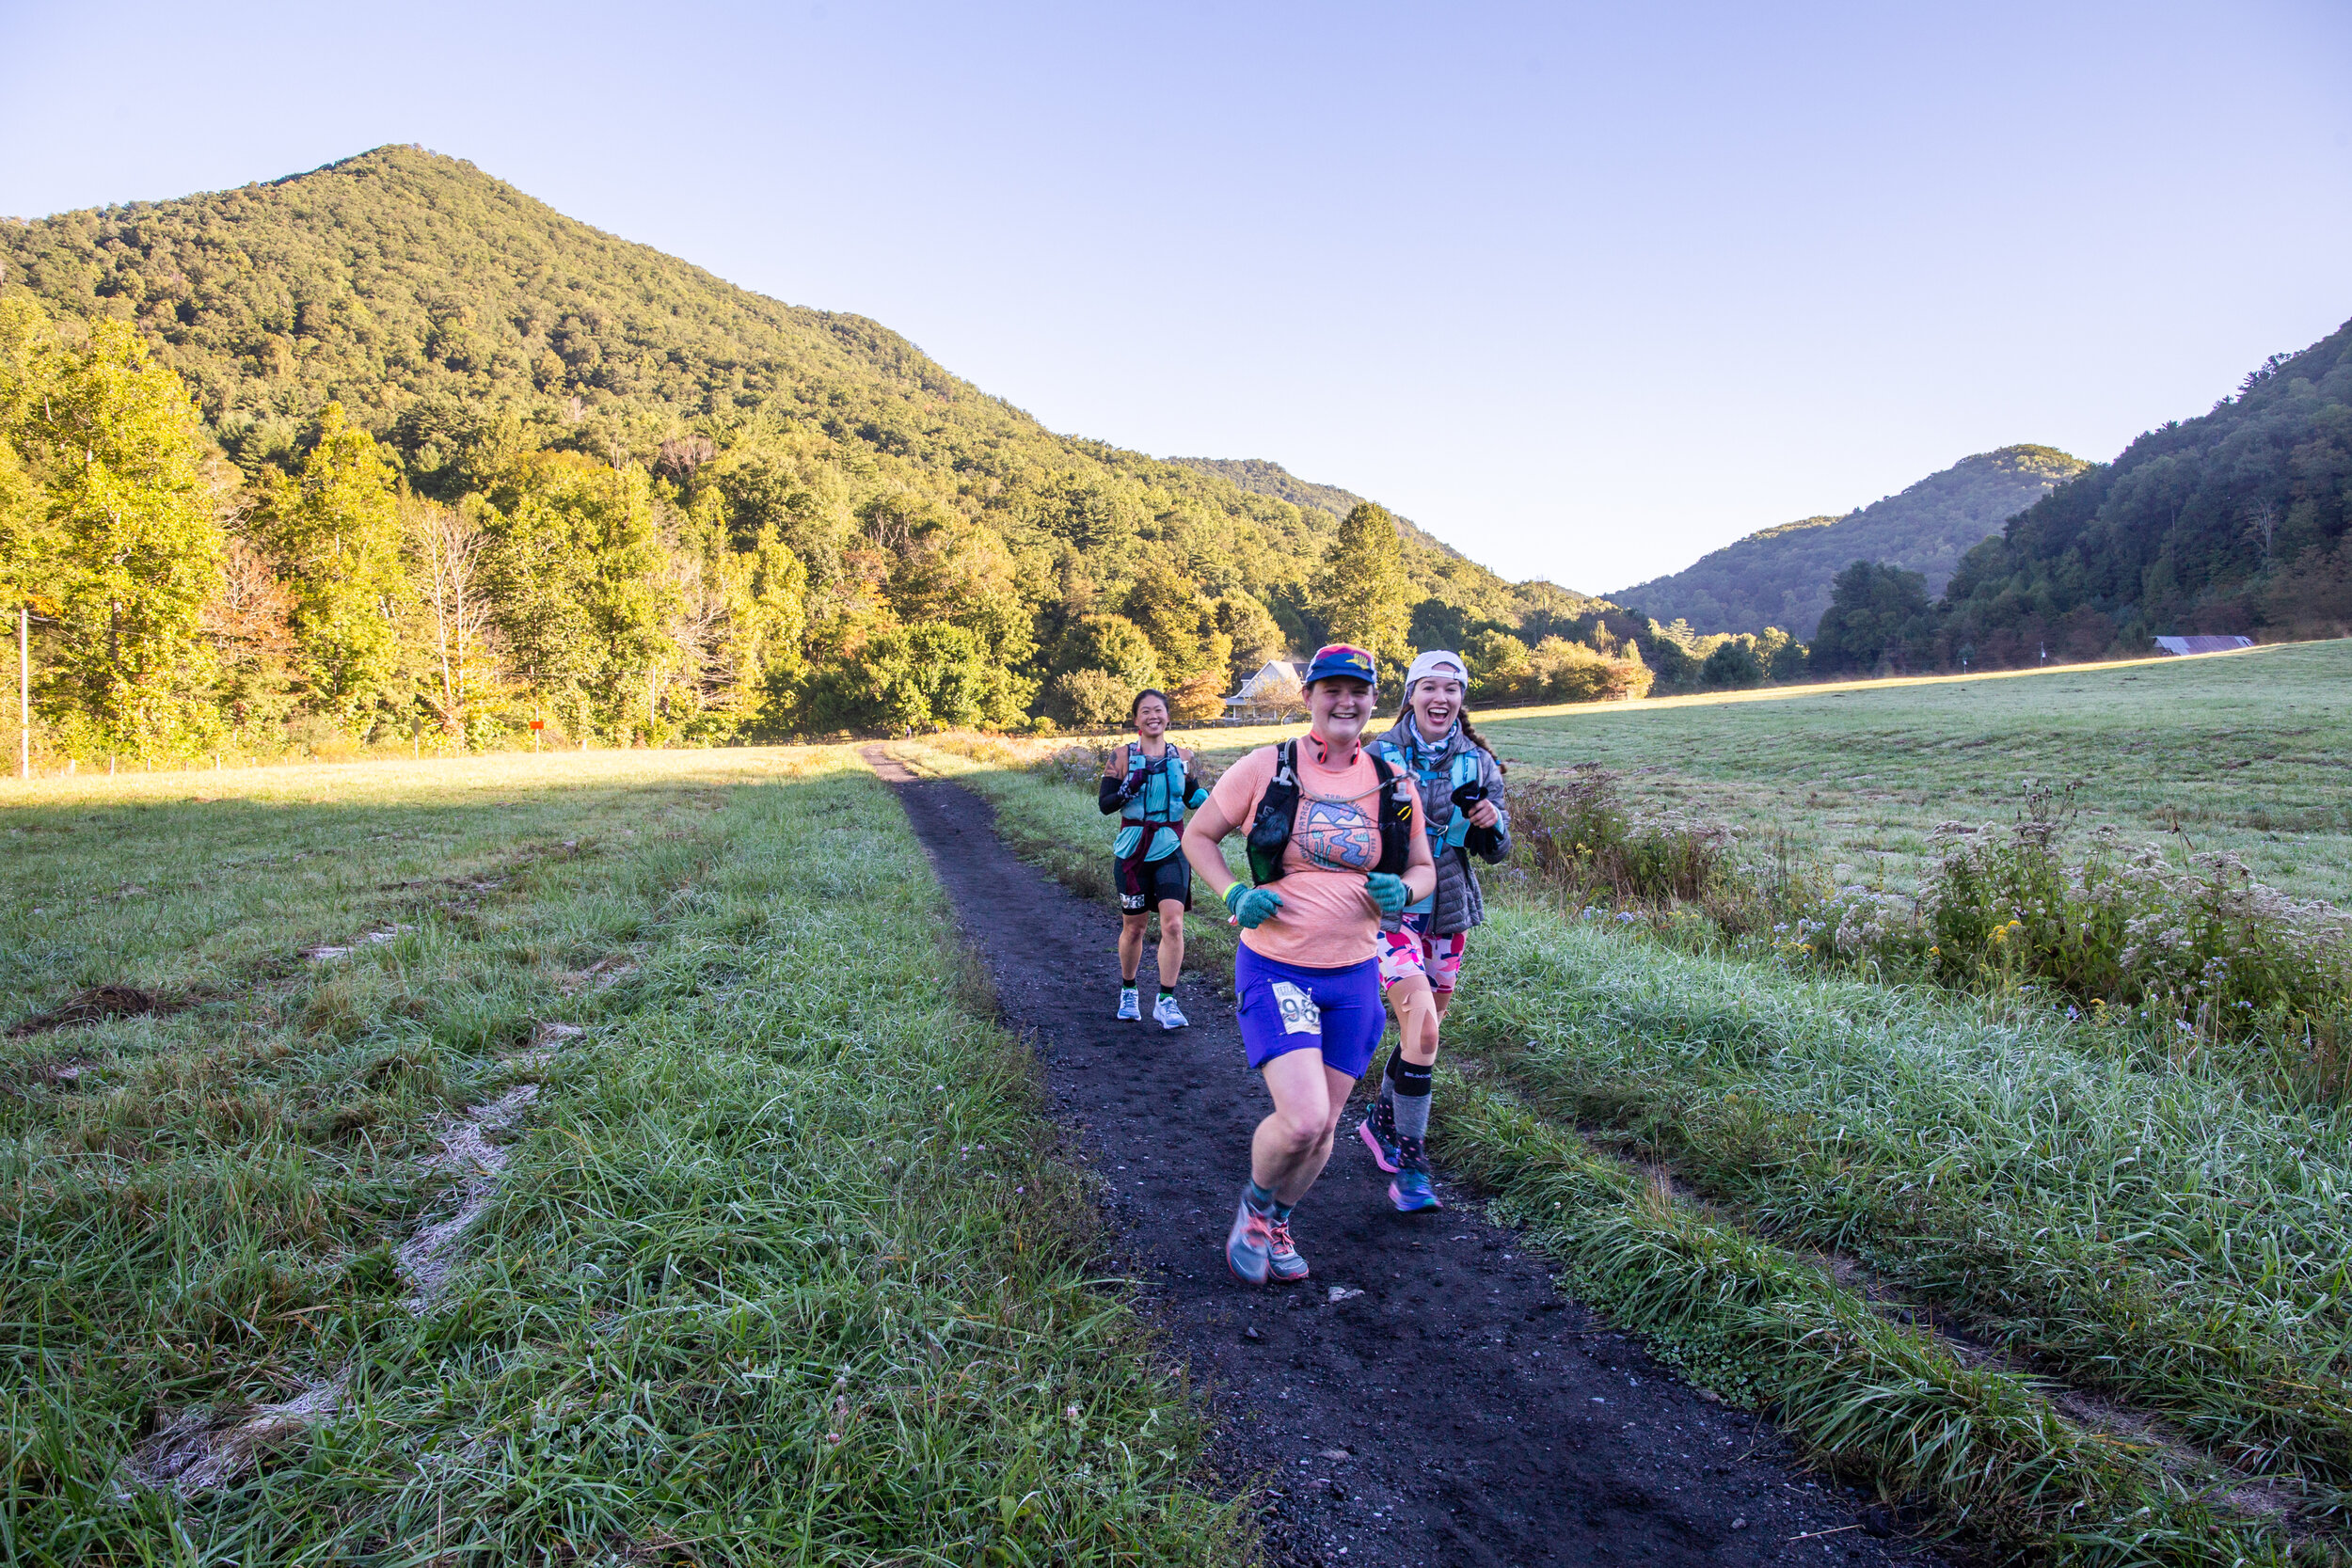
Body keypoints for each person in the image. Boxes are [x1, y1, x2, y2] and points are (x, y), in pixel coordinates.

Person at [1183, 644, 1437, 1285]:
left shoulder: (1392, 783)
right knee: (1300, 1118)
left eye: (1359, 691)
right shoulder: (1268, 766)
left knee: (1324, 1128)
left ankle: (1281, 1219)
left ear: (1374, 700)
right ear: (1309, 698)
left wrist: (1401, 891)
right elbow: (1198, 836)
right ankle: (1255, 1207)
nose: (1346, 702)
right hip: (1277, 966)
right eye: (1333, 690)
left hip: (1353, 976)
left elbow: (1424, 869)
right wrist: (1234, 894)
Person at [1359, 651, 1511, 1212]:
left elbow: (1497, 852)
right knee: (1423, 1032)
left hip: (1447, 911)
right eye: (1430, 687)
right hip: (1391, 912)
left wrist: (1490, 828)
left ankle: (1379, 1119)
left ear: (1461, 698)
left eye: (1452, 688)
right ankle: (1412, 1162)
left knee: (1420, 1037)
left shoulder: (1479, 762)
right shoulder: (1375, 757)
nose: (1441, 697)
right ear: (1411, 695)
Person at [1101, 689, 1211, 1029]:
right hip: (1132, 850)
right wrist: (1129, 787)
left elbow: (1193, 796)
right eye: (1145, 711)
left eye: (1159, 710)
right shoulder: (1120, 757)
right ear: (1136, 719)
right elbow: (1105, 804)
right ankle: (1129, 990)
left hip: (1172, 847)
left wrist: (1217, 798)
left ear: (1167, 716)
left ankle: (1166, 999)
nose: (1153, 716)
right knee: (1134, 927)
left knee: (1173, 924)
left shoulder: (1184, 756)